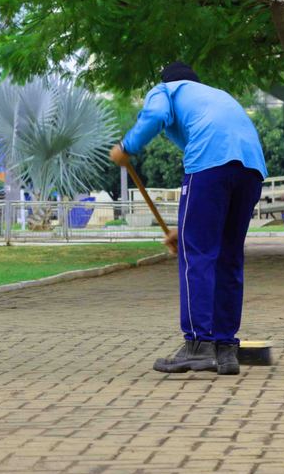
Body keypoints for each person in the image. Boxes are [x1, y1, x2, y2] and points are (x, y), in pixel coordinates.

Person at [110, 61, 267, 376]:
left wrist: (127, 146)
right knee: (228, 257)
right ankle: (225, 349)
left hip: (211, 165)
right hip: (251, 169)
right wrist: (186, 233)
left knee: (196, 256)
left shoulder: (167, 89)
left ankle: (197, 344)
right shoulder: (213, 95)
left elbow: (154, 116)